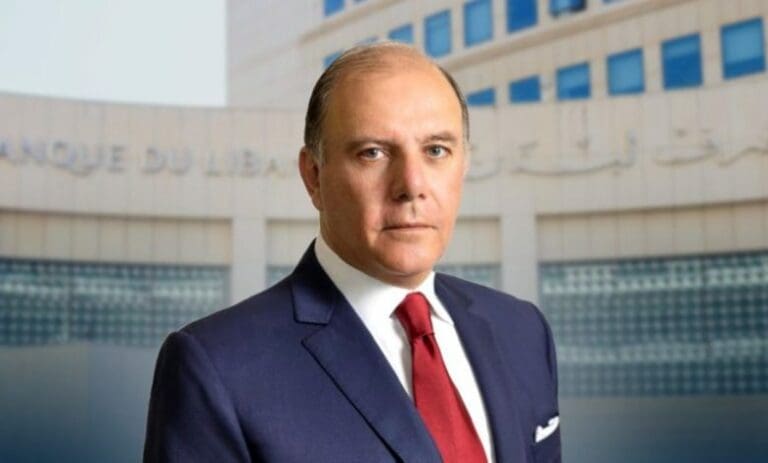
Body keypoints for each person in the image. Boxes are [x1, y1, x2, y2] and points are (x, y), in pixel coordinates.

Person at [143, 42, 560, 463]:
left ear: (463, 165)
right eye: (372, 153)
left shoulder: (522, 331)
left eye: (436, 150)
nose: (411, 185)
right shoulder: (217, 366)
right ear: (313, 176)